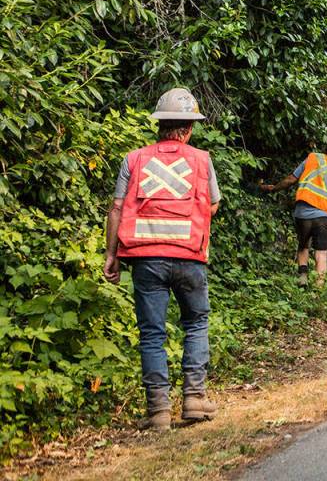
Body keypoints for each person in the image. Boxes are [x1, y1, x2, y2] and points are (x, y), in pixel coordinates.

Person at [102, 87, 220, 431]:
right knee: (196, 323)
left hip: (145, 258)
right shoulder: (201, 159)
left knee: (152, 333)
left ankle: (158, 412)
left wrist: (112, 255)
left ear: (160, 124)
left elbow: (117, 209)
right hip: (188, 256)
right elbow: (212, 204)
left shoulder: (134, 159)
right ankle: (195, 399)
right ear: (189, 128)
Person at [260, 131, 327, 285]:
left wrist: (274, 188)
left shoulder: (312, 158)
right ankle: (318, 288)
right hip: (323, 215)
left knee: (303, 245)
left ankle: (302, 277)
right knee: (321, 252)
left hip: (302, 213)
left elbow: (291, 179)